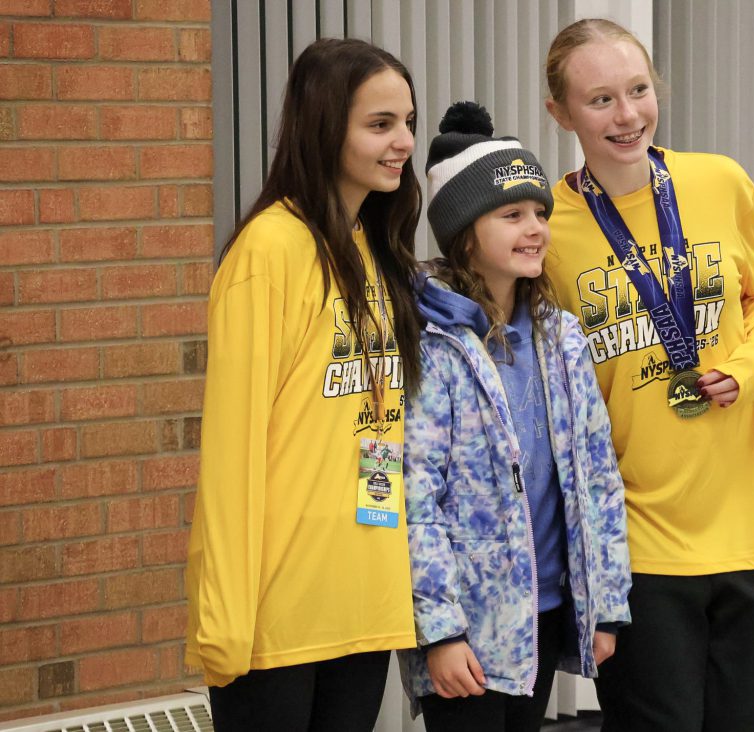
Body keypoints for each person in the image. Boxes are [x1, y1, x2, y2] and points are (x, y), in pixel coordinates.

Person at [543, 19, 754, 732]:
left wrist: (747, 367)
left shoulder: (719, 181)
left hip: (752, 527)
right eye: (600, 100)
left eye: (638, 90)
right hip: (640, 541)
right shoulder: (549, 229)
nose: (627, 115)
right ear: (560, 113)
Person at [184, 38, 423, 732]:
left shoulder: (371, 251)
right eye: (380, 124)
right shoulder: (270, 250)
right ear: (326, 126)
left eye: (407, 120)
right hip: (277, 618)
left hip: (361, 605)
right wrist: (224, 619)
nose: (403, 141)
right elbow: (232, 452)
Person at [398, 101, 632, 732]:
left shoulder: (562, 338)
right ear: (465, 233)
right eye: (511, 215)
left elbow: (598, 479)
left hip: (548, 609)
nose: (534, 228)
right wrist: (439, 632)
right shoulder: (432, 345)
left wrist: (604, 605)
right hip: (469, 625)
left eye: (538, 213)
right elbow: (414, 501)